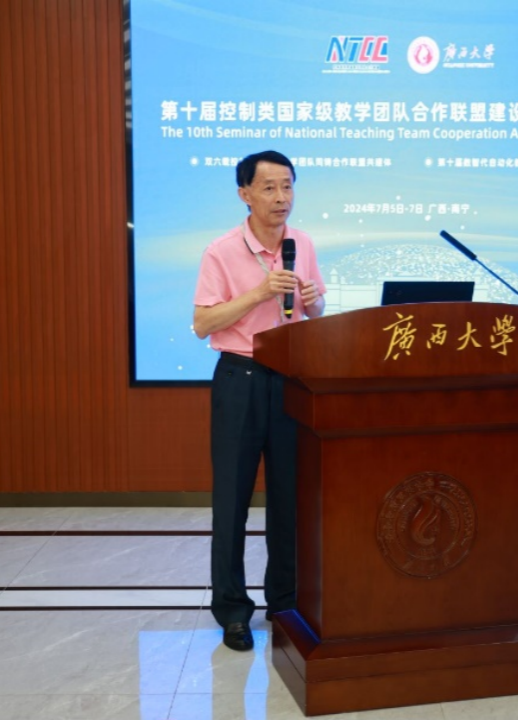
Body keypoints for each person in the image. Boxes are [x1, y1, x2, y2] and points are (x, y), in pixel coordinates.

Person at [193, 150, 326, 652]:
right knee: (232, 501)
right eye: (269, 187)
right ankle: (232, 610)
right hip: (241, 378)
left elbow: (317, 309)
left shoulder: (302, 243)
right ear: (244, 194)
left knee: (290, 501)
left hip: (291, 381)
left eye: (287, 186)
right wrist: (259, 293)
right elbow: (203, 323)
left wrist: (311, 299)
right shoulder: (221, 251)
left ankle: (285, 603)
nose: (281, 197)